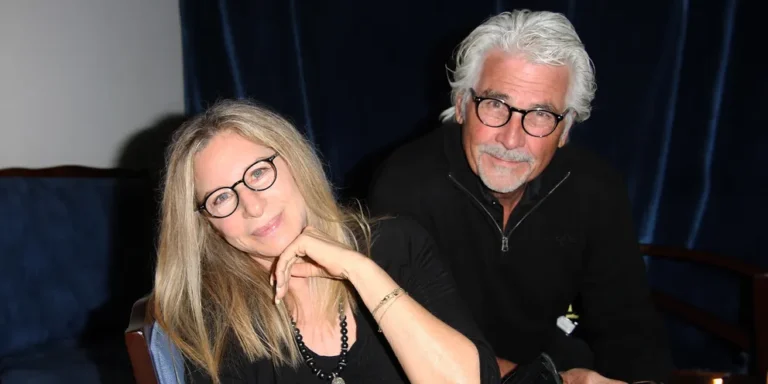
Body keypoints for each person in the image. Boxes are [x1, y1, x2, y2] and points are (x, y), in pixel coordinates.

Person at [367, 9, 673, 384]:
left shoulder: (595, 188)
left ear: (565, 129)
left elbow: (627, 324)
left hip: (553, 363)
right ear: (462, 104)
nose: (511, 140)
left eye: (541, 114)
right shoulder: (404, 185)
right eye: (495, 105)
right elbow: (405, 339)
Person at [151, 99, 501, 384]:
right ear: (208, 225)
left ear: (294, 162)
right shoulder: (217, 324)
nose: (252, 206)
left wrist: (359, 270)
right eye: (221, 198)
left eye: (258, 172)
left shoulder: (398, 247)